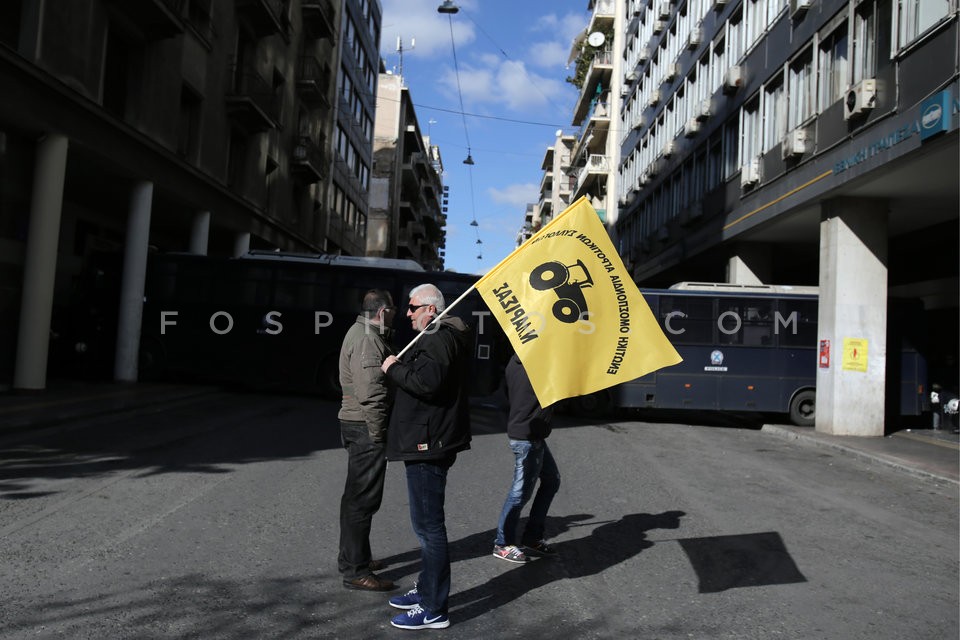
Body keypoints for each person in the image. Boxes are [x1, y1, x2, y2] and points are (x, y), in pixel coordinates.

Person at [380, 283, 473, 630]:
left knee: (429, 528)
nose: (407, 312)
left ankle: (434, 608)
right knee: (426, 527)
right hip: (430, 439)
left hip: (428, 443)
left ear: (431, 309)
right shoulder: (440, 335)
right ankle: (426, 590)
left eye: (412, 306)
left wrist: (393, 368)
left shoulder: (437, 336)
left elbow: (427, 385)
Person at [337, 289, 397, 592]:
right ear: (383, 312)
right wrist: (378, 432)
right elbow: (371, 391)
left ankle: (354, 557)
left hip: (355, 422)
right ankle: (356, 571)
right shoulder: (368, 339)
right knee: (362, 500)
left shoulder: (360, 332)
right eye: (394, 310)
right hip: (364, 426)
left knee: (355, 498)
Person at [492, 352, 561, 563]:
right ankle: (502, 544)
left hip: (531, 434)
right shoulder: (535, 365)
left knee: (551, 480)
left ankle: (532, 537)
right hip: (527, 437)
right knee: (519, 493)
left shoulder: (516, 360)